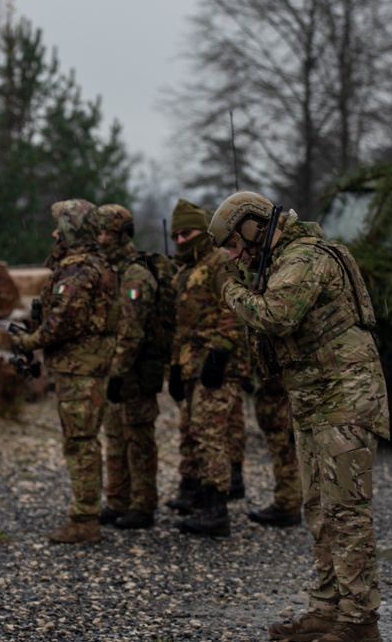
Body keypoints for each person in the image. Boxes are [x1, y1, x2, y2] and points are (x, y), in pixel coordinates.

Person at [209, 191, 388, 642]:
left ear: (252, 227)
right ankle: (328, 609)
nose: (234, 255)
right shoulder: (277, 261)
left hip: (345, 396)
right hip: (314, 399)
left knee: (346, 512)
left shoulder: (305, 258)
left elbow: (276, 314)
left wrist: (229, 288)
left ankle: (359, 620)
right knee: (319, 509)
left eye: (234, 244)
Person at [9, 199, 119, 544]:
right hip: (86, 366)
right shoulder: (95, 265)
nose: (54, 233)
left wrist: (28, 342)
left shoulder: (79, 270)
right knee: (82, 440)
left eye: (60, 226)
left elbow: (63, 324)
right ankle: (86, 511)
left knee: (80, 442)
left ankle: (85, 519)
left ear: (72, 230)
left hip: (80, 369)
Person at [166, 197, 247, 538]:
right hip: (191, 367)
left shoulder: (219, 264)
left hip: (218, 366)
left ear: (202, 231)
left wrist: (219, 353)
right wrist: (174, 367)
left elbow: (233, 310)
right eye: (177, 236)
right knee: (196, 433)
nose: (181, 241)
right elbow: (180, 327)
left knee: (211, 435)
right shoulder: (184, 271)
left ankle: (217, 513)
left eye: (187, 233)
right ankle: (204, 498)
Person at [96, 203, 163, 530]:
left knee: (138, 440)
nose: (101, 237)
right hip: (116, 371)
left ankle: (143, 504)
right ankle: (118, 500)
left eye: (107, 231)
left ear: (122, 235)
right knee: (115, 439)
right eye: (100, 231)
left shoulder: (135, 274)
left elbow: (132, 331)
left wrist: (119, 373)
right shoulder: (113, 271)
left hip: (134, 374)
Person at [250, 368, 302, 527]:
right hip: (278, 386)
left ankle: (287, 505)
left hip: (279, 389)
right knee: (285, 447)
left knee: (284, 449)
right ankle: (288, 503)